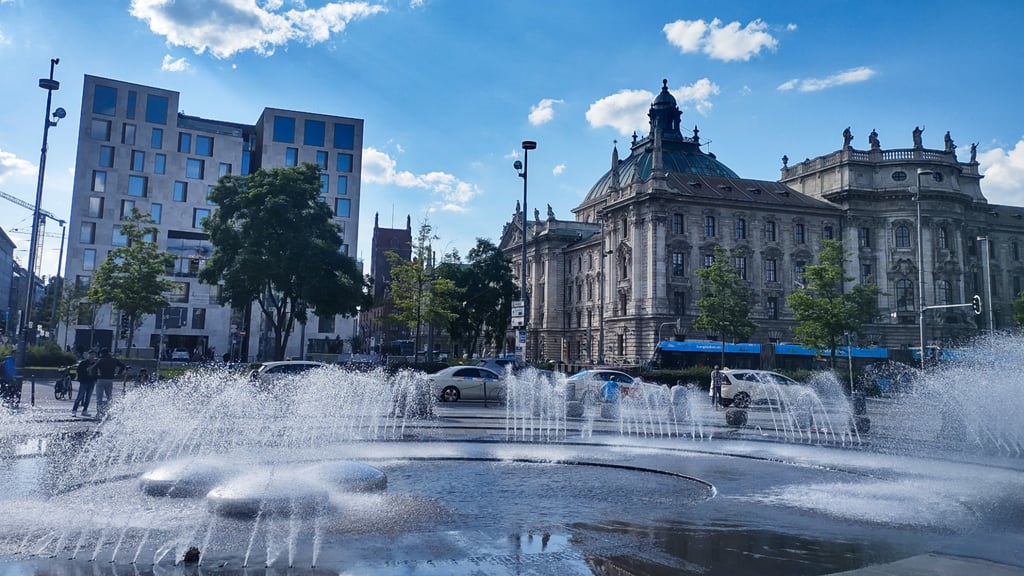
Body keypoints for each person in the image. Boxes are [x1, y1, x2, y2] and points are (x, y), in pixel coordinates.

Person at [94, 348, 126, 416]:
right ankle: (110, 411)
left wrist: (95, 376)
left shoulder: (101, 360)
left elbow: (94, 368)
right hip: (110, 380)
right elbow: (123, 366)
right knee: (109, 397)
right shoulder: (114, 360)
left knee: (99, 398)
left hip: (101, 379)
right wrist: (119, 373)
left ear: (102, 354)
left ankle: (99, 412)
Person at [72, 350, 98, 417]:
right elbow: (78, 371)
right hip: (84, 382)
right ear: (88, 355)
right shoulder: (83, 363)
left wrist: (95, 379)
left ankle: (85, 410)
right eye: (91, 355)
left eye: (93, 355)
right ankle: (74, 410)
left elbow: (96, 373)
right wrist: (84, 373)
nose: (92, 356)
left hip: (91, 382)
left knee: (88, 398)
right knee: (80, 396)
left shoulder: (95, 364)